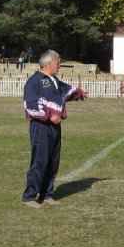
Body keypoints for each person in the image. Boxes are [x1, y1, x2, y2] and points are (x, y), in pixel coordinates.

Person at [21, 50, 86, 208]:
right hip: (41, 126)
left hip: (55, 128)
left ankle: (47, 194)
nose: (60, 65)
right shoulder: (35, 81)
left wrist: (79, 93)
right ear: (49, 63)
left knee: (52, 161)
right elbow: (30, 105)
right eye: (58, 62)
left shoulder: (54, 80)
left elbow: (66, 92)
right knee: (39, 160)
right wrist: (49, 116)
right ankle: (29, 196)